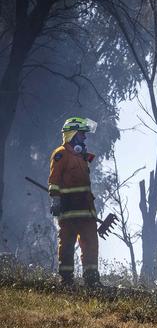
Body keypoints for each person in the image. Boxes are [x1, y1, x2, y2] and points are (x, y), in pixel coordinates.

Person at [48, 117, 102, 288]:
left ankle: (92, 280)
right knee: (67, 245)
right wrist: (56, 200)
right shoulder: (61, 154)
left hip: (86, 212)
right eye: (82, 134)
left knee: (91, 244)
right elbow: (54, 180)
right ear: (72, 134)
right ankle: (66, 280)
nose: (85, 138)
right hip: (69, 211)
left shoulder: (82, 157)